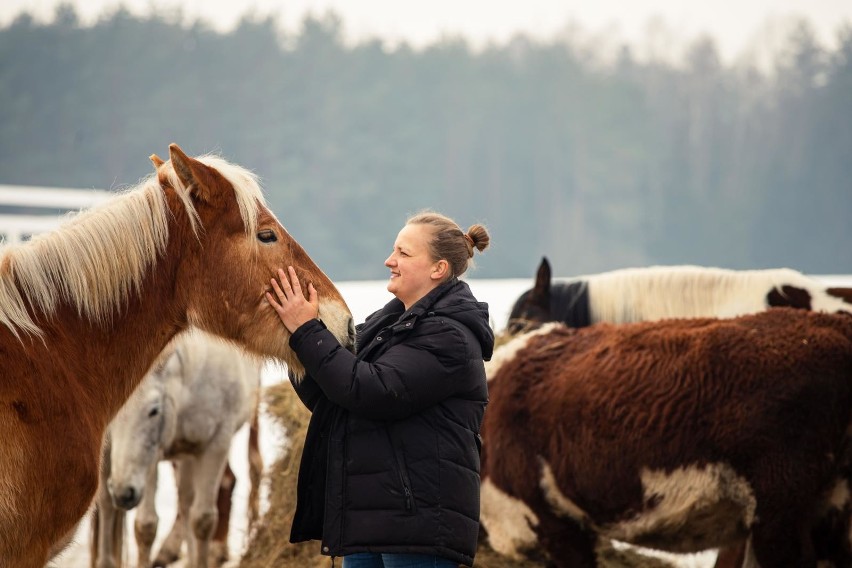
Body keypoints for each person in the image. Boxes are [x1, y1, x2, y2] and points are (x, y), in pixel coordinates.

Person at [265, 211, 494, 568]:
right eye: (393, 250)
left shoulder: (449, 337)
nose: (390, 260)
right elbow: (333, 397)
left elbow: (372, 391)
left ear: (438, 269)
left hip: (417, 528)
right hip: (367, 520)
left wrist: (307, 331)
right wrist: (290, 340)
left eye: (404, 253)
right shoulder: (386, 327)